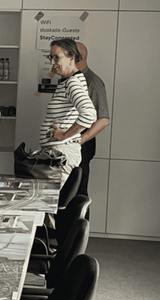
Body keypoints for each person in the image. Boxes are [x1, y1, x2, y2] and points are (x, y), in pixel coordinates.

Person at [42, 39, 97, 188]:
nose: (52, 62)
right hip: (59, 154)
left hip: (62, 155)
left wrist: (64, 135)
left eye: (56, 57)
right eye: (50, 57)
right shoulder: (68, 82)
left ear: (71, 58)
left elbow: (89, 114)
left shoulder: (72, 83)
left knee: (53, 201)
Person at [75, 42, 110, 200]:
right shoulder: (70, 79)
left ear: (81, 57)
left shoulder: (93, 82)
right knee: (66, 196)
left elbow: (103, 120)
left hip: (80, 149)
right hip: (69, 147)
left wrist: (78, 141)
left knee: (78, 196)